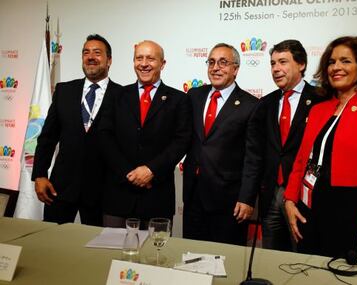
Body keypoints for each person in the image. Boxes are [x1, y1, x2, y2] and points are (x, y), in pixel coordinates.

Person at [284, 36, 357, 259]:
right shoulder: (319, 110)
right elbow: (301, 160)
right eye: (331, 62)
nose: (336, 67)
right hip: (308, 213)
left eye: (345, 61)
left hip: (350, 214)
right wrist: (289, 200)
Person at [98, 40, 192, 228]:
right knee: (112, 254)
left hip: (157, 196)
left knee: (154, 255)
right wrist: (129, 173)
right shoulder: (116, 95)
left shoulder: (179, 99)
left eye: (151, 58)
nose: (144, 63)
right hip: (118, 194)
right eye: (139, 58)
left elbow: (181, 141)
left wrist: (151, 170)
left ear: (162, 64)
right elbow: (105, 136)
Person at [32, 34, 122, 226]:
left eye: (97, 53)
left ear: (109, 60)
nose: (90, 57)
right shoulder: (64, 91)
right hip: (60, 189)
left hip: (103, 192)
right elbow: (47, 138)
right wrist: (39, 174)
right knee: (53, 248)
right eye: (86, 52)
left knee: (98, 253)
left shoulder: (123, 95)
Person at [182, 43, 261, 246]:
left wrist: (247, 198)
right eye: (212, 62)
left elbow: (253, 158)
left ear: (235, 69)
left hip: (229, 201)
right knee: (190, 257)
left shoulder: (251, 105)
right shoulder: (194, 96)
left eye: (223, 62)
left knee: (226, 261)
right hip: (193, 196)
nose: (216, 67)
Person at [252, 40, 326, 251]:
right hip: (271, 194)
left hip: (304, 196)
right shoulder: (265, 104)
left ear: (301, 64)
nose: (276, 69)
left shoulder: (322, 100)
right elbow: (256, 152)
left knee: (301, 257)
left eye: (283, 62)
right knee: (272, 257)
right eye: (273, 63)